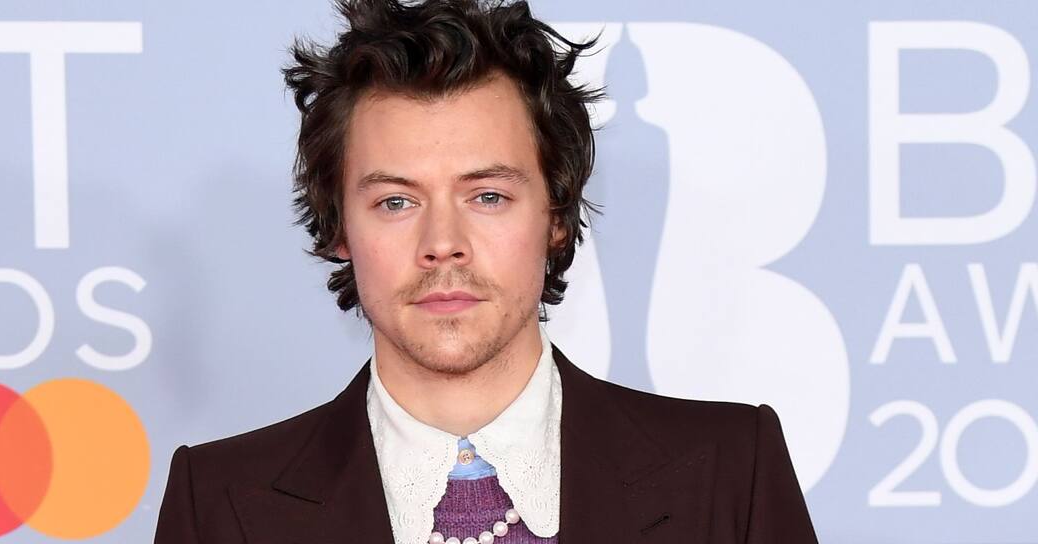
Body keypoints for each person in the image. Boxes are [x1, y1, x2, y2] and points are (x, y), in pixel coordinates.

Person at [154, 0, 819, 542]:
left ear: (556, 214)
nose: (443, 244)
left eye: (488, 196)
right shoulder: (220, 505)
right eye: (396, 202)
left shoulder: (730, 474)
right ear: (339, 230)